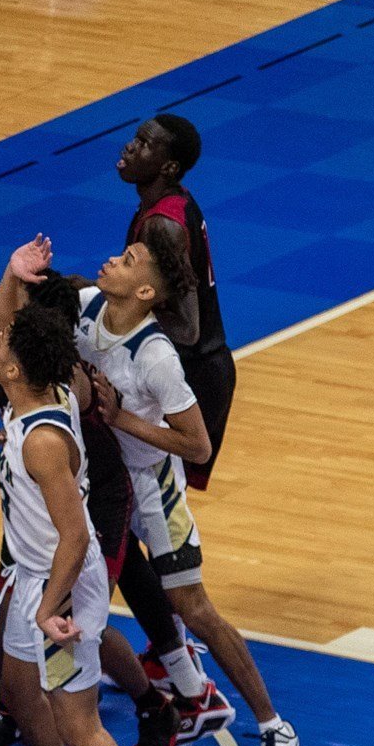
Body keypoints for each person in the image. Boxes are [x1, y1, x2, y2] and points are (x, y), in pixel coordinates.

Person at [63, 228, 301, 746]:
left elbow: (198, 446)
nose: (111, 259)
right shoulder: (86, 306)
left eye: (127, 260)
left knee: (193, 606)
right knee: (112, 581)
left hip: (152, 487)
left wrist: (121, 419)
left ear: (145, 292)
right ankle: (186, 685)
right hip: (103, 479)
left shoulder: (156, 357)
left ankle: (275, 726)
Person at [0, 262, 182, 746]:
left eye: (17, 304)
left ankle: (151, 705)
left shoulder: (65, 375)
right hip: (35, 499)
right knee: (12, 625)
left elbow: (52, 438)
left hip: (91, 502)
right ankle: (14, 714)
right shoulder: (9, 358)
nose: (2, 321)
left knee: (76, 625)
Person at [0, 303, 186, 746]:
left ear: (16, 370)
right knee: (19, 685)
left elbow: (73, 537)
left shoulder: (43, 441)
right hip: (36, 574)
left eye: (4, 342)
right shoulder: (41, 399)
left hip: (62, 583)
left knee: (79, 724)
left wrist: (49, 606)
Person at [118, 114, 240, 688]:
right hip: (189, 375)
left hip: (190, 379)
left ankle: (177, 648)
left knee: (146, 519)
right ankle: (170, 644)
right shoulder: (166, 204)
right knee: (137, 520)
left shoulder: (163, 225)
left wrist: (113, 310)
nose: (129, 147)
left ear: (167, 165)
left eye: (144, 145)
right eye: (135, 137)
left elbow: (186, 327)